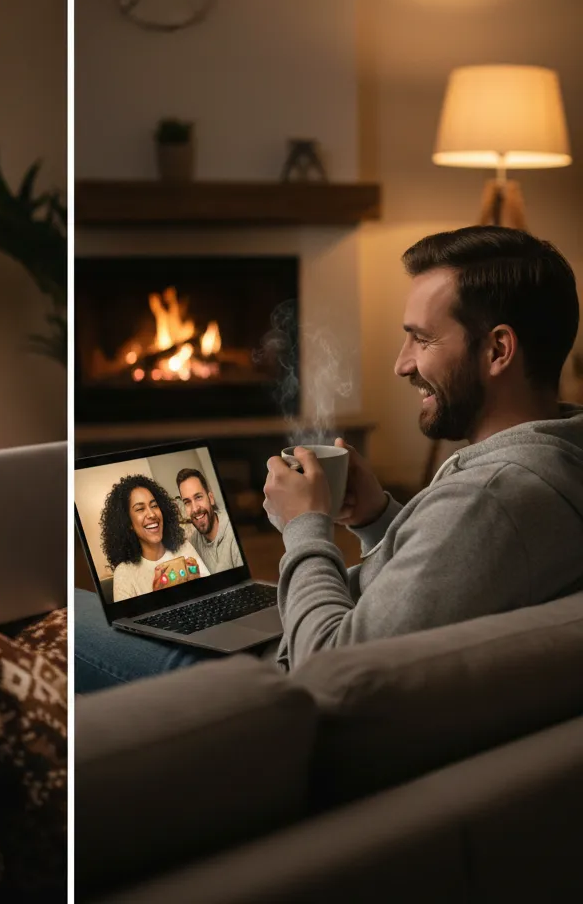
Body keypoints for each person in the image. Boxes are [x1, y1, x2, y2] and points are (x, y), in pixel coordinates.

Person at [75, 225, 583, 690]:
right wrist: (375, 518)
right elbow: (450, 578)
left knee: (63, 617)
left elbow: (327, 671)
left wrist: (305, 525)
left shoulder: (490, 498)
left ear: (498, 351)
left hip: (258, 690)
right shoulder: (553, 460)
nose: (401, 363)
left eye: (422, 339)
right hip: (289, 649)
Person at [99, 474, 210, 602]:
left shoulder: (184, 548)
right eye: (140, 509)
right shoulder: (124, 573)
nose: (152, 514)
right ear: (128, 522)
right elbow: (126, 622)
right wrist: (157, 598)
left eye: (154, 506)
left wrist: (199, 587)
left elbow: (212, 597)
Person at [177, 467, 244, 574]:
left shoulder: (234, 532)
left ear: (211, 498)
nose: (195, 509)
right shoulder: (193, 543)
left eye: (198, 497)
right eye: (187, 502)